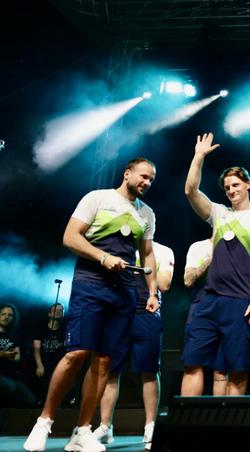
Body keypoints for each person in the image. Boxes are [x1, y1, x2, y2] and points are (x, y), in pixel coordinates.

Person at [25, 158, 159, 452]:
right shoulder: (97, 198)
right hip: (91, 282)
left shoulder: (147, 213)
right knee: (77, 353)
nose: (147, 182)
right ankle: (44, 422)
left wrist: (153, 292)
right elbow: (70, 237)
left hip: (124, 291)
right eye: (143, 176)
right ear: (127, 173)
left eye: (151, 179)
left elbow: (147, 254)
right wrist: (102, 257)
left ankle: (82, 431)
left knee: (104, 361)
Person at [180, 134, 250, 397]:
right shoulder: (219, 213)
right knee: (192, 363)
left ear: (248, 185)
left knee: (237, 369)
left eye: (235, 185)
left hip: (241, 301)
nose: (231, 190)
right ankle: (186, 419)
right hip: (209, 300)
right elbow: (190, 191)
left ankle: (231, 421)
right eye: (227, 187)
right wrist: (199, 156)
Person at [92, 241, 174, 449]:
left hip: (146, 313)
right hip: (118, 313)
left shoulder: (163, 251)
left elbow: (164, 284)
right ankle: (105, 426)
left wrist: (145, 262)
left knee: (149, 371)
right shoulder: (120, 247)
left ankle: (150, 426)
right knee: (111, 370)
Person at [182, 238, 228, 397]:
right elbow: (188, 280)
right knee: (193, 363)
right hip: (202, 307)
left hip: (230, 307)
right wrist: (213, 257)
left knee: (222, 369)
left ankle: (222, 412)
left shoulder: (241, 246)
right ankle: (189, 412)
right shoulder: (198, 247)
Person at [30, 304, 67, 406]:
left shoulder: (65, 331)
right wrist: (39, 365)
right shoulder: (40, 328)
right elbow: (36, 348)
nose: (58, 312)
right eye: (55, 310)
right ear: (49, 314)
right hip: (42, 362)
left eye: (61, 310)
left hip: (56, 365)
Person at [1, 304, 34, 408]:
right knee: (10, 387)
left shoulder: (13, 336)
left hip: (9, 376)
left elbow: (17, 358)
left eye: (10, 315)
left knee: (30, 400)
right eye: (3, 314)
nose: (6, 317)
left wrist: (13, 356)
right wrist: (3, 354)